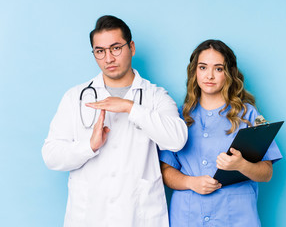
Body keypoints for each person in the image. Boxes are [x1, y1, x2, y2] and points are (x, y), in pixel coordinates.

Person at [42, 15, 187, 227]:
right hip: (88, 216)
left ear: (132, 47)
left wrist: (130, 108)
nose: (108, 58)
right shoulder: (76, 97)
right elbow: (51, 155)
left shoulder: (155, 96)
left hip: (138, 216)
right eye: (100, 51)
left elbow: (177, 139)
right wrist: (89, 147)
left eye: (116, 48)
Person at [159, 39, 282, 226]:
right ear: (194, 72)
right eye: (203, 68)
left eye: (218, 69)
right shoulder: (179, 116)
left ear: (229, 73)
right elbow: (166, 170)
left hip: (236, 216)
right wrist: (190, 182)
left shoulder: (249, 114)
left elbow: (267, 173)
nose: (209, 75)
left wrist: (241, 164)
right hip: (188, 216)